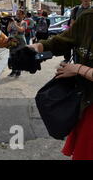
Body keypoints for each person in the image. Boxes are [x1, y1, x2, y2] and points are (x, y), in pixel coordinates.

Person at [28, 8, 93, 160]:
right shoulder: (88, 17)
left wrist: (78, 69)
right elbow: (63, 40)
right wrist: (37, 48)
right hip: (87, 103)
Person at [7, 9, 27, 77]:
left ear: (23, 15)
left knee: (19, 56)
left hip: (21, 41)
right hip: (13, 41)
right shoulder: (13, 21)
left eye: (19, 14)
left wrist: (15, 23)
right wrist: (10, 23)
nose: (17, 15)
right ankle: (13, 71)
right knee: (12, 56)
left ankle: (19, 71)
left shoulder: (24, 22)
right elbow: (8, 30)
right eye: (17, 14)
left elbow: (21, 29)